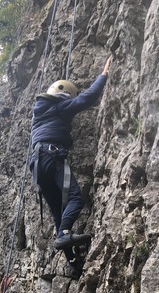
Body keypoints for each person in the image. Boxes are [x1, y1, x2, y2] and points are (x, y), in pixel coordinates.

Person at [30, 55, 113, 278]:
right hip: (51, 156)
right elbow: (86, 99)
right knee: (76, 198)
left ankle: (74, 263)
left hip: (37, 165)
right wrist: (103, 75)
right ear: (65, 95)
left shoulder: (40, 111)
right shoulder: (59, 107)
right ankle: (65, 234)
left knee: (58, 212)